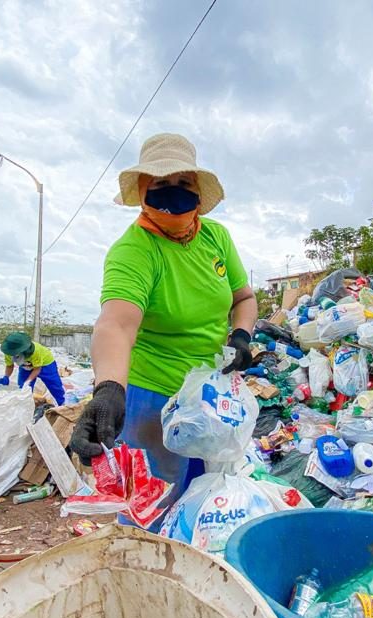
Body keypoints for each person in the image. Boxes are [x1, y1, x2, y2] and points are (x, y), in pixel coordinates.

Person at [69, 133, 257, 529]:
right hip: (151, 396)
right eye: (160, 185)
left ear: (198, 193)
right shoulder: (135, 250)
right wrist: (108, 390)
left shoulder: (216, 237)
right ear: (142, 192)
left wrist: (241, 336)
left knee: (208, 500)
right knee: (151, 507)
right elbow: (116, 324)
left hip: (209, 395)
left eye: (184, 185)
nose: (173, 195)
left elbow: (244, 298)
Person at [0, 331, 66, 405]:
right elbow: (9, 366)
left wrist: (28, 381)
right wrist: (6, 376)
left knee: (54, 385)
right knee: (23, 388)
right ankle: (25, 405)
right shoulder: (9, 352)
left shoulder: (36, 351)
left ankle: (62, 404)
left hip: (46, 364)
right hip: (25, 366)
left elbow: (37, 369)